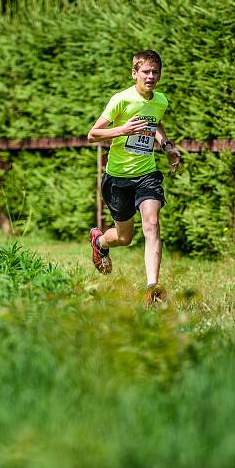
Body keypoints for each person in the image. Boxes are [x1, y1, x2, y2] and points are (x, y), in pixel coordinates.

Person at [87, 49, 182, 307]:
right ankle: (100, 240)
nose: (151, 77)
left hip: (146, 173)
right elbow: (92, 134)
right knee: (124, 238)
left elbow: (156, 124)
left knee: (151, 223)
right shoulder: (121, 100)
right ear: (134, 73)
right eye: (146, 72)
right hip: (118, 177)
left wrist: (167, 147)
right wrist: (124, 130)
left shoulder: (160, 100)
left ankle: (153, 289)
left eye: (155, 72)